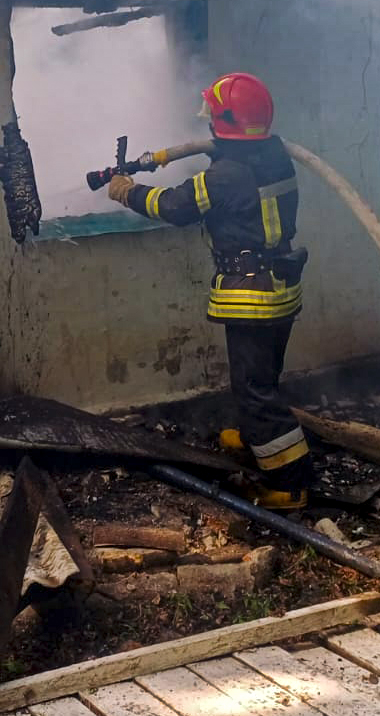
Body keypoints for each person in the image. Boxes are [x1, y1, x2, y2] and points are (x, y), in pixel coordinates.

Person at [105, 72, 313, 509]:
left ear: (224, 124)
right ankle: (259, 436)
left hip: (251, 293)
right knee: (263, 377)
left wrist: (127, 190)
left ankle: (288, 482)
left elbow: (174, 206)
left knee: (254, 388)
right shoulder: (273, 155)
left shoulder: (225, 176)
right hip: (280, 285)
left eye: (213, 119)